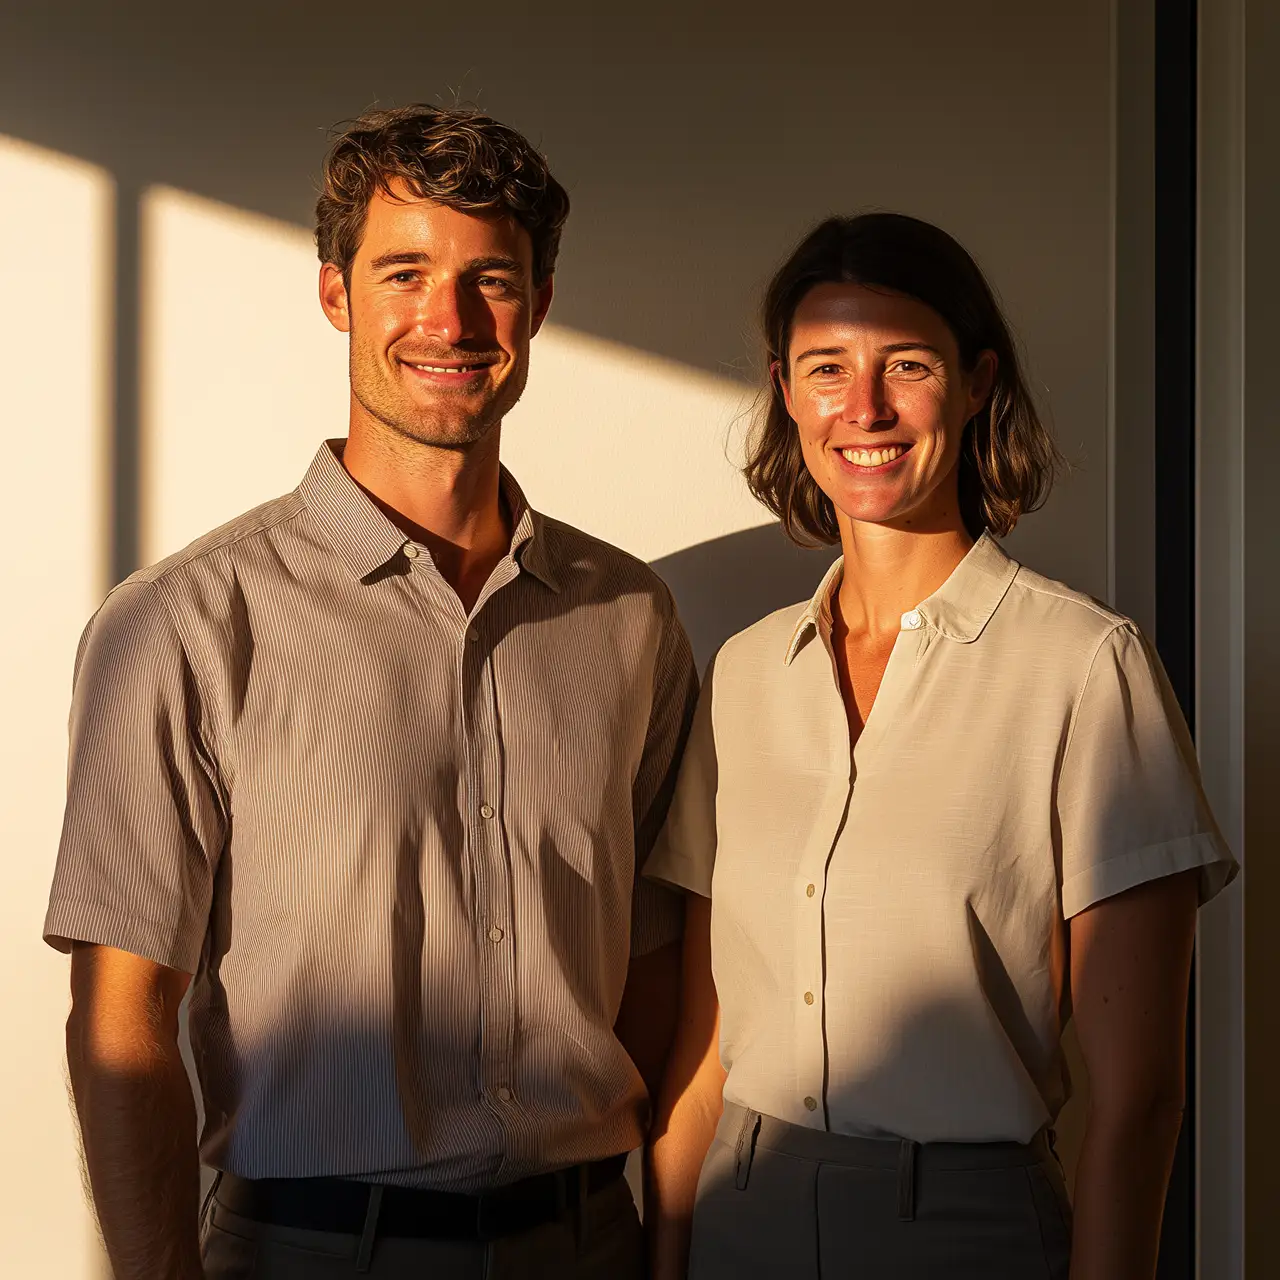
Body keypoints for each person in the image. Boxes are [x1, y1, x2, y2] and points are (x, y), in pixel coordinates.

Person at [44, 104, 697, 1280]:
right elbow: (121, 1022)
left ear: (539, 304)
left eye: (488, 278)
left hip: (588, 1241)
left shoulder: (631, 618)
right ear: (335, 293)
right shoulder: (185, 622)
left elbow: (655, 967)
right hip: (310, 1251)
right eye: (404, 272)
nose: (447, 320)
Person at [643, 213, 1237, 1280]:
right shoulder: (738, 675)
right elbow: (701, 1054)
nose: (861, 407)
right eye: (826, 367)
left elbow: (1139, 1095)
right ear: (785, 390)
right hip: (740, 1217)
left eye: (903, 365)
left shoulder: (1084, 667)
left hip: (966, 1231)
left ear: (973, 383)